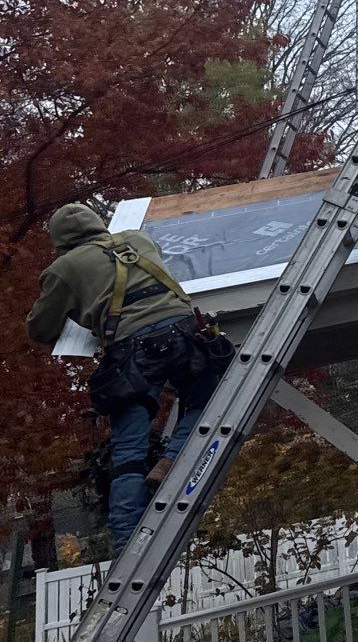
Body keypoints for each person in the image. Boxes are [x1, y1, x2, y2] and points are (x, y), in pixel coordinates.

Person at [25, 204, 232, 554]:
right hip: (184, 334)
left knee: (129, 453)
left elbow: (40, 328)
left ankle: (126, 544)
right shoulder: (138, 238)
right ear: (98, 225)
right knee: (207, 402)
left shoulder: (62, 269)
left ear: (60, 242)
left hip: (132, 353)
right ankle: (172, 459)